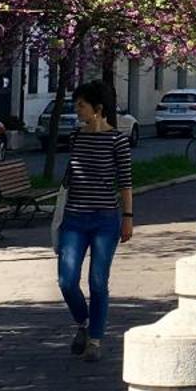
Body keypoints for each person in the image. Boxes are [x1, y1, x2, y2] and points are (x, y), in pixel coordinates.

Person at [56, 79, 134, 361]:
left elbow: (125, 182)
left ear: (98, 109)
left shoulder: (117, 140)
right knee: (66, 280)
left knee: (98, 281)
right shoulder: (76, 137)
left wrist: (127, 217)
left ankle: (96, 340)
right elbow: (70, 178)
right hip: (74, 218)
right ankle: (85, 322)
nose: (77, 110)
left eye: (81, 105)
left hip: (105, 220)